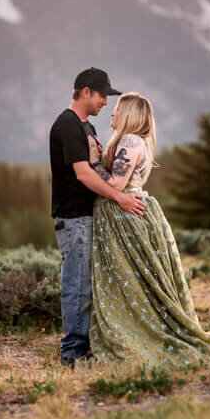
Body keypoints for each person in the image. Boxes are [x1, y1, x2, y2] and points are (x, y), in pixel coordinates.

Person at [89, 92, 210, 367]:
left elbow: (116, 185)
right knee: (137, 281)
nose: (113, 114)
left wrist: (94, 161)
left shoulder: (130, 140)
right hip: (128, 212)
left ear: (130, 113)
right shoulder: (136, 141)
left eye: (118, 109)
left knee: (131, 279)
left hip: (124, 215)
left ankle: (136, 334)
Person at [49, 68, 145, 367]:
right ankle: (72, 354)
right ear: (86, 91)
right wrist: (120, 197)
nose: (105, 102)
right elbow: (82, 174)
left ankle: (86, 347)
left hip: (88, 217)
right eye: (103, 95)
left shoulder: (86, 127)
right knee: (77, 285)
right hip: (75, 218)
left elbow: (97, 169)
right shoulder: (67, 125)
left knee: (88, 284)